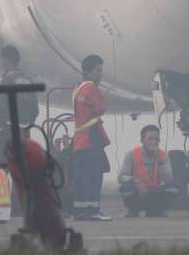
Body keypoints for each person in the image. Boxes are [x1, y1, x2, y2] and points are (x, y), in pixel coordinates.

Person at [71, 54, 112, 221]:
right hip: (91, 138)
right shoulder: (90, 88)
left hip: (80, 139)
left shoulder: (78, 88)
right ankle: (93, 210)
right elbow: (102, 107)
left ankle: (80, 211)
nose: (100, 74)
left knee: (81, 178)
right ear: (88, 72)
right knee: (93, 176)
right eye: (98, 70)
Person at [0, 45, 39, 165]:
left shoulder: (8, 80)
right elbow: (35, 109)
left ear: (7, 60)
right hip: (24, 133)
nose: (1, 63)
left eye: (2, 60)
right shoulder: (28, 81)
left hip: (8, 132)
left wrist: (2, 125)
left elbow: (3, 107)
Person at [118, 124, 176, 218]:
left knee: (173, 188)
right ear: (142, 140)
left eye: (156, 139)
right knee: (125, 188)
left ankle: (156, 210)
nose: (154, 142)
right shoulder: (132, 154)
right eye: (150, 139)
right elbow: (121, 177)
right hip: (138, 191)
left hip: (154, 191)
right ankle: (134, 209)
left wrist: (161, 162)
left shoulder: (163, 155)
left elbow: (169, 179)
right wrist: (136, 182)